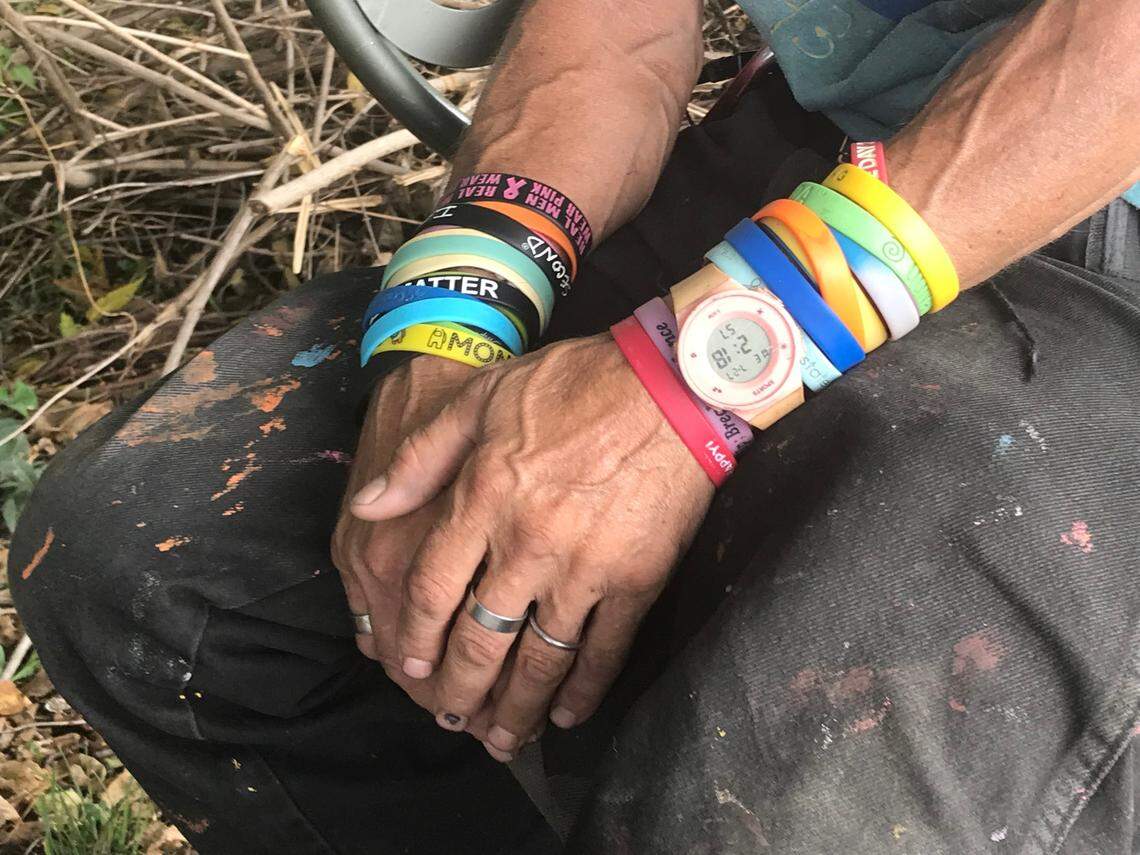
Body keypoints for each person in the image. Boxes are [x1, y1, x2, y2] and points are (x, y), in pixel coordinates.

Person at [9, 0, 1140, 851]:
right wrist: (455, 325)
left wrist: (681, 389)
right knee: (159, 572)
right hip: (829, 143)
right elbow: (609, 35)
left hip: (1102, 228)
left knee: (782, 804)